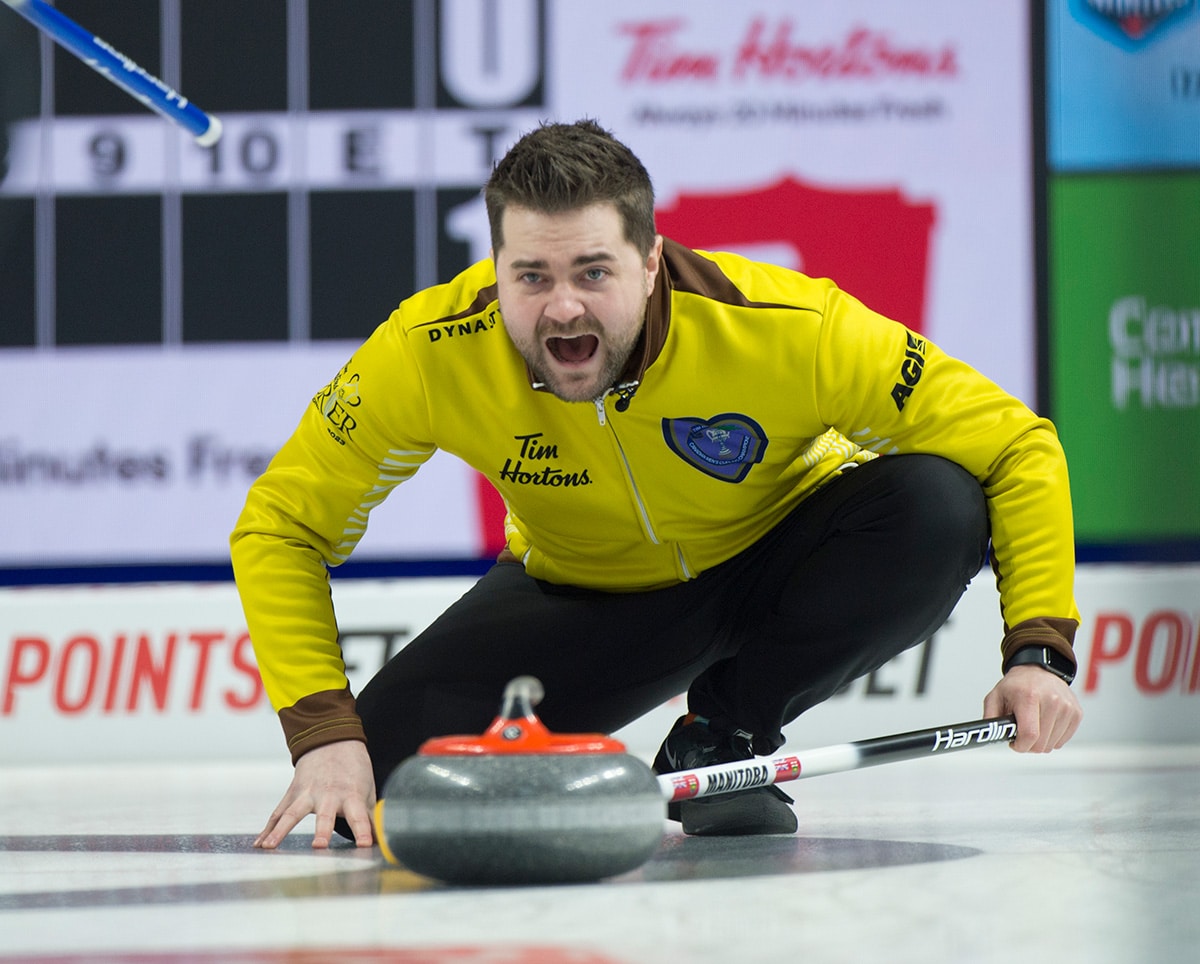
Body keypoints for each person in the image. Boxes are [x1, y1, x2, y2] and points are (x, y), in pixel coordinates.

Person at [231, 119, 1083, 850]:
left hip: (773, 560)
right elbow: (281, 527)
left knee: (937, 502)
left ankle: (724, 733)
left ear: (651, 262)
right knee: (372, 784)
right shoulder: (427, 352)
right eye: (531, 276)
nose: (563, 308)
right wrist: (320, 729)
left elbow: (1016, 444)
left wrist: (1038, 652)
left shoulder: (791, 327)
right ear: (496, 270)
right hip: (587, 600)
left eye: (593, 272)